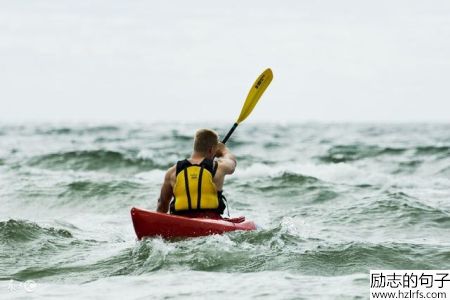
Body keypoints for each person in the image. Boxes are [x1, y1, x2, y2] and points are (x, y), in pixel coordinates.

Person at [156, 129, 237, 218]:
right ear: (211, 150)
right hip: (210, 222)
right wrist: (223, 150)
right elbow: (232, 162)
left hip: (180, 221)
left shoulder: (172, 172)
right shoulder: (219, 167)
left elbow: (162, 206)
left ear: (195, 147)